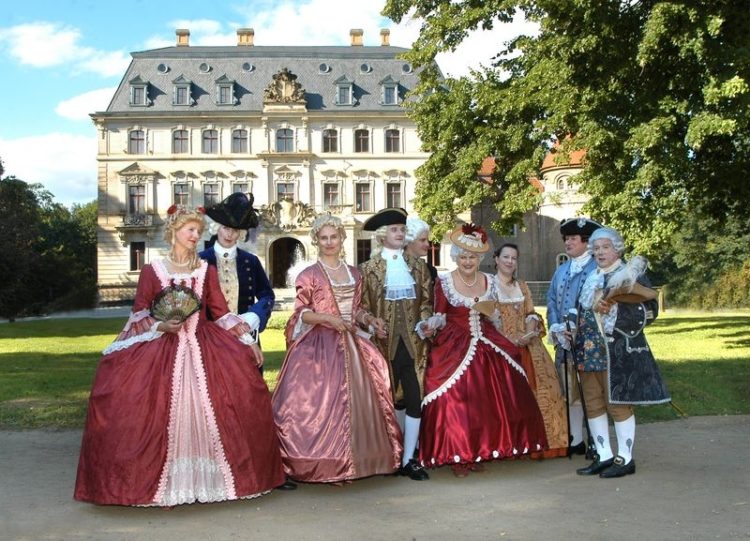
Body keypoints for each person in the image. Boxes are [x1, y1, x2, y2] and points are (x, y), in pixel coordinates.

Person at [74, 205, 285, 506]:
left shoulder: (204, 270)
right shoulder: (153, 270)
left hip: (203, 345)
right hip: (161, 347)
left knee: (232, 396)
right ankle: (160, 482)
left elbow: (222, 314)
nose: (196, 236)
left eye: (199, 231)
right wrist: (161, 324)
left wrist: (248, 339)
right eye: (190, 230)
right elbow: (140, 313)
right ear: (174, 231)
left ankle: (211, 479)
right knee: (144, 404)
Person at [272, 215, 402, 483]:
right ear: (316, 241)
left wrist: (370, 320)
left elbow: (357, 311)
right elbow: (300, 314)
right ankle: (320, 461)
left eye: (334, 236)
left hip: (352, 344)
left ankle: (364, 460)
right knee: (317, 404)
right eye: (324, 237)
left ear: (342, 238)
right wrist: (327, 319)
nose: (329, 242)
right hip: (318, 347)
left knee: (363, 399)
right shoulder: (308, 275)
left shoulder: (355, 273)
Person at [419, 224, 548, 477]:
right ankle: (457, 454)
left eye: (473, 257)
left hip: (486, 337)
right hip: (454, 343)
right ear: (456, 257)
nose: (468, 261)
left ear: (479, 259)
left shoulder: (488, 281)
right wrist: (431, 323)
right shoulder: (444, 282)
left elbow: (493, 315)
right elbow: (440, 315)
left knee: (498, 389)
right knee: (453, 396)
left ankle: (482, 448)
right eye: (464, 256)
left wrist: (496, 316)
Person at [574, 227, 670, 478]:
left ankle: (625, 458)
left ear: (617, 249)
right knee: (593, 402)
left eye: (605, 247)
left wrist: (614, 313)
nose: (600, 252)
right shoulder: (591, 276)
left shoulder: (630, 275)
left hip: (617, 350)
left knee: (617, 403)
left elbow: (649, 312)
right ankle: (604, 455)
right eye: (596, 249)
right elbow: (582, 311)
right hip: (589, 349)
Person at [359, 208, 433, 481]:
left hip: (413, 344)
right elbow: (362, 306)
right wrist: (370, 322)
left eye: (402, 230)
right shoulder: (367, 270)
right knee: (391, 400)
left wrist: (426, 321)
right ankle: (392, 453)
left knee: (414, 397)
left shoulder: (417, 266)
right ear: (381, 236)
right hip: (382, 344)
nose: (400, 234)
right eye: (394, 230)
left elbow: (426, 301)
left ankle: (410, 458)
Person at [493, 243, 569, 458]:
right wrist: (507, 339)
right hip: (501, 345)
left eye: (514, 258)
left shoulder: (523, 286)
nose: (510, 261)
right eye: (506, 257)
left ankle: (546, 443)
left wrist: (529, 331)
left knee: (547, 389)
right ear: (496, 259)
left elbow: (530, 313)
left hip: (529, 345)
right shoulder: (489, 285)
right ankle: (512, 445)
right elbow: (489, 318)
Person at [546, 217, 602, 455]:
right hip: (565, 343)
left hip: (591, 344)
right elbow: (550, 302)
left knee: (592, 393)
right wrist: (557, 328)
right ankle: (576, 439)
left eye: (572, 239)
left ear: (586, 243)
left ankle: (597, 443)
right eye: (566, 239)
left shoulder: (597, 269)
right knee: (570, 391)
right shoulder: (561, 270)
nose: (567, 243)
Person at [199, 192, 275, 348]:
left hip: (244, 337)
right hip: (209, 340)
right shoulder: (200, 261)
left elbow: (266, 295)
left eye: (235, 230)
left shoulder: (251, 261)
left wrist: (253, 316)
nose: (229, 234)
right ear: (216, 228)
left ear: (241, 233)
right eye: (226, 227)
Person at [405, 217, 437, 283]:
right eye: (422, 240)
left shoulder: (430, 270)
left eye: (427, 240)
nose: (427, 244)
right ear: (409, 241)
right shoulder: (396, 267)